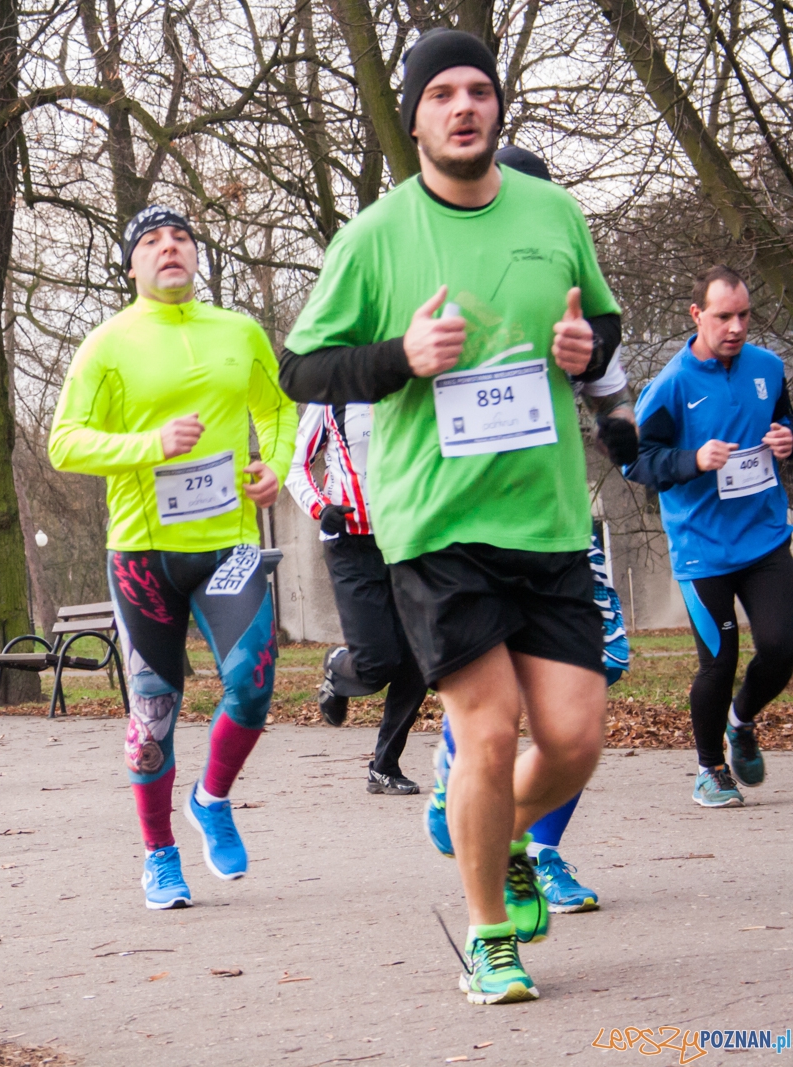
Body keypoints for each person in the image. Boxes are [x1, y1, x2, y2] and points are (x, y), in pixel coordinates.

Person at [279, 30, 621, 1004]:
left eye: (478, 91)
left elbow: (604, 324)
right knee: (487, 725)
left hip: (546, 515)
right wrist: (401, 355)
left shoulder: (552, 212)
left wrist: (582, 346)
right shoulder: (376, 236)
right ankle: (488, 940)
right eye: (442, 95)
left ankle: (495, 830)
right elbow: (299, 366)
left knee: (575, 735)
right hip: (434, 522)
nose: (463, 107)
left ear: (495, 108)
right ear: (417, 116)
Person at [49, 205, 296, 910]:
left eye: (181, 238)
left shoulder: (238, 331)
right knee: (153, 712)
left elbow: (279, 409)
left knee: (252, 681)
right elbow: (65, 441)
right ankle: (159, 852)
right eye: (152, 242)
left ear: (196, 256)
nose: (169, 248)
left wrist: (274, 463)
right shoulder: (107, 344)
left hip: (228, 544)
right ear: (131, 266)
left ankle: (211, 798)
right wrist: (148, 445)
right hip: (143, 551)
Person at [424, 145, 639, 915]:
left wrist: (623, 427)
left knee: (588, 693)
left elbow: (610, 386)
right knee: (491, 708)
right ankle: (508, 832)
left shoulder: (565, 281)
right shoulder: (437, 278)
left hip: (556, 519)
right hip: (463, 523)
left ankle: (511, 824)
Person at [624, 265, 793, 809]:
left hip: (764, 536)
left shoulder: (768, 367)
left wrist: (790, 440)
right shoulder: (671, 384)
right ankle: (709, 768)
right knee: (718, 662)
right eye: (724, 316)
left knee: (784, 646)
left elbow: (787, 425)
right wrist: (692, 460)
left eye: (744, 314)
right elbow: (636, 461)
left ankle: (740, 722)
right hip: (703, 549)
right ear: (697, 315)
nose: (737, 326)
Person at [286, 403, 426, 793]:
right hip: (350, 542)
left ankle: (384, 767)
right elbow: (294, 465)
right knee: (377, 661)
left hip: (406, 538)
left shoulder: (405, 385)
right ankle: (337, 664)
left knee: (419, 656)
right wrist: (320, 508)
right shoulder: (329, 399)